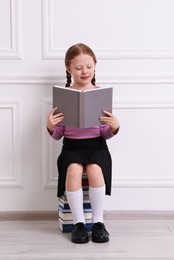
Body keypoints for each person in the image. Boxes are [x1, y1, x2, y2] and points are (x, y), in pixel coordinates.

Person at [47, 43, 120, 244]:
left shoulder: (100, 95)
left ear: (95, 66)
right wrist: (52, 126)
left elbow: (105, 133)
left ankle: (98, 223)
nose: (84, 71)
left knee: (96, 170)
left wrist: (113, 126)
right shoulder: (64, 96)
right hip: (71, 147)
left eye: (88, 66)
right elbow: (59, 134)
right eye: (78, 68)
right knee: (73, 171)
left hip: (97, 146)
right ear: (68, 69)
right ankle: (79, 224)